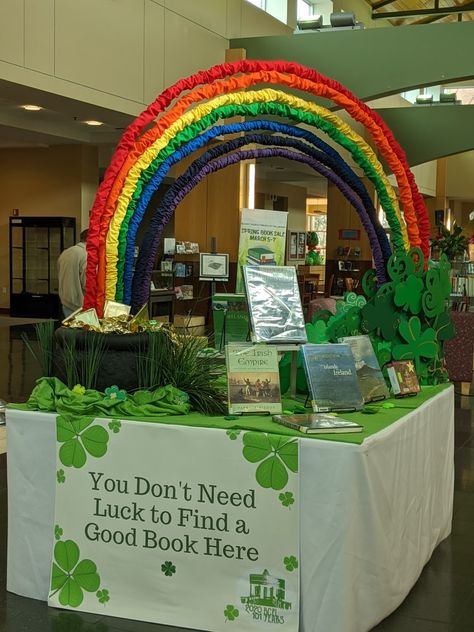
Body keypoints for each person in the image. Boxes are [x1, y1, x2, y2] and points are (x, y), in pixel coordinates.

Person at [57, 229, 88, 318]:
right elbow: (86, 283)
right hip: (80, 305)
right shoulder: (86, 255)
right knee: (81, 331)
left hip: (65, 301)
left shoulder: (65, 252)